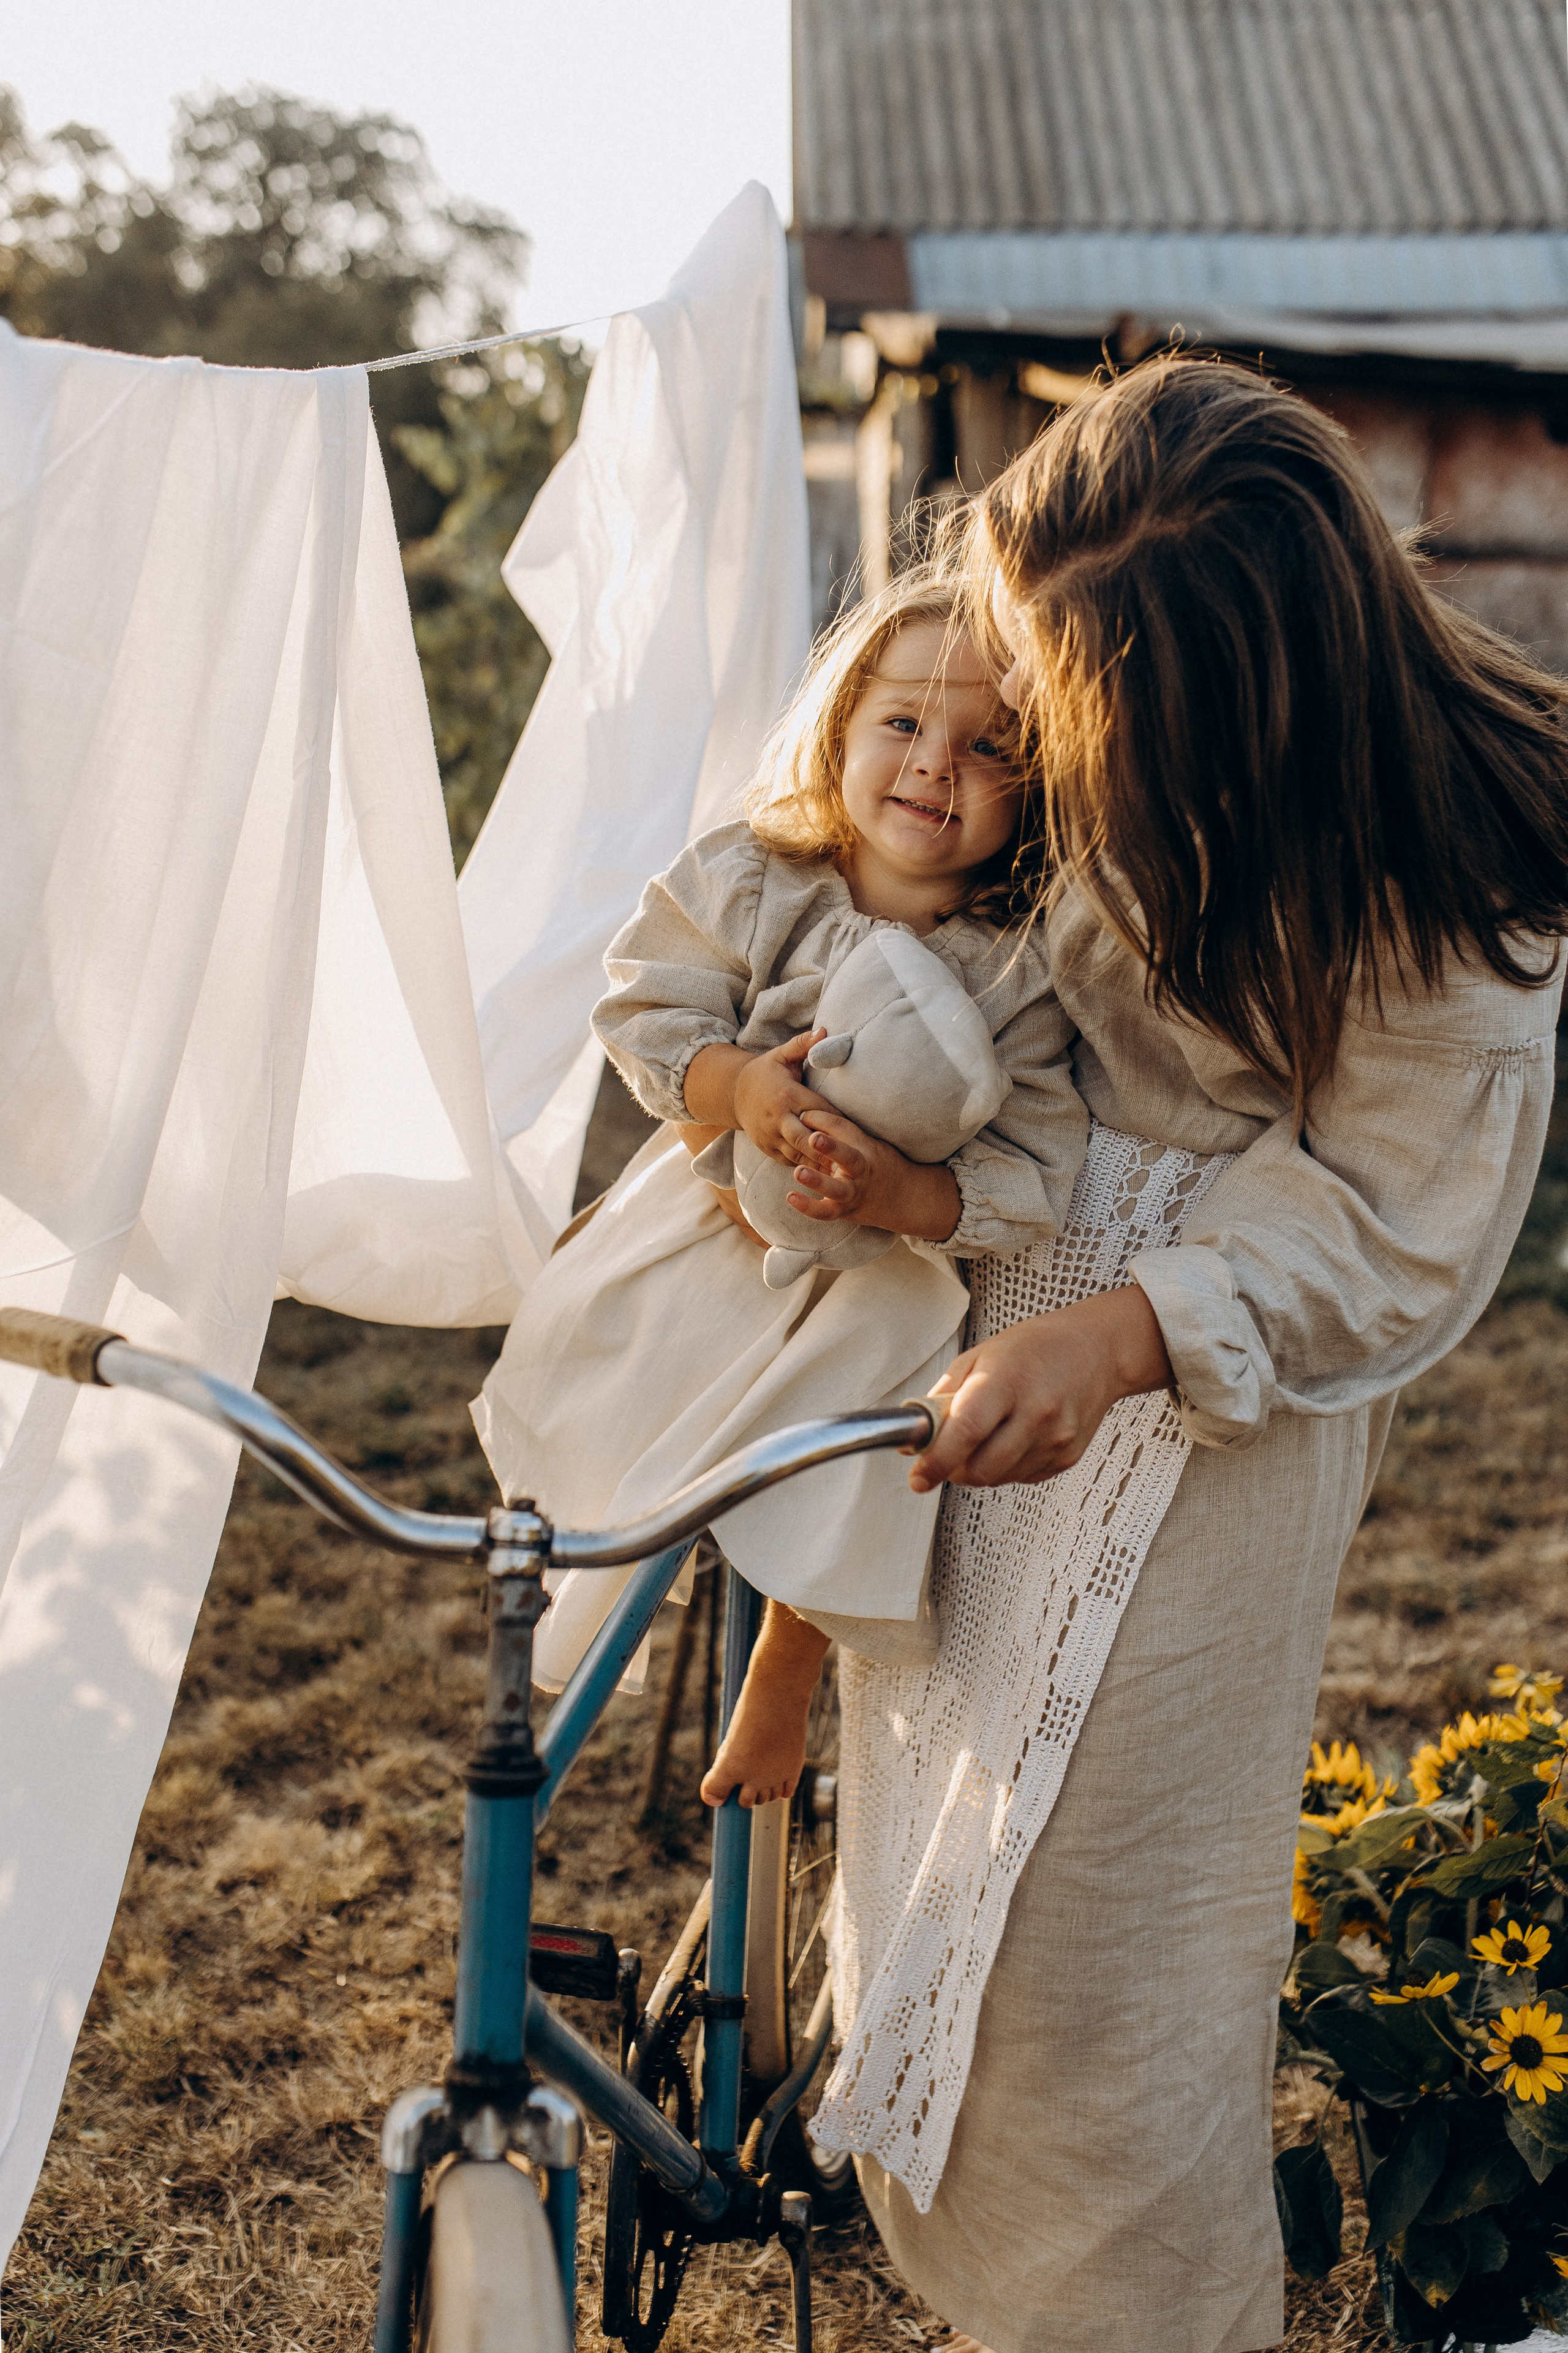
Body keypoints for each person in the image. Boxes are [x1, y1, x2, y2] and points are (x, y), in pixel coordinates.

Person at [806, 357, 1568, 2353]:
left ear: (1249, 722)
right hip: (995, 1280)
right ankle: (980, 2272)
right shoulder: (1063, 666)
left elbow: (1386, 1216)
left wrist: (1135, 1327)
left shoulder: (1464, 880)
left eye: (1093, 720)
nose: (1058, 742)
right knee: (932, 1807)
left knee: (1095, 1944)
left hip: (1220, 1405)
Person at [472, 563, 1089, 1779]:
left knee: (855, 1444)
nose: (933, 764)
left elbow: (1031, 1168)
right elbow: (649, 1001)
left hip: (868, 1270)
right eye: (903, 722)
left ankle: (783, 1674)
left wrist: (896, 1198)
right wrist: (739, 1090)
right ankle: (571, 1591)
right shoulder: (761, 874)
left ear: (1039, 788)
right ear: (843, 722)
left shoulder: (1013, 970)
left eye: (988, 748)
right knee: (599, 1367)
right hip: (711, 1211)